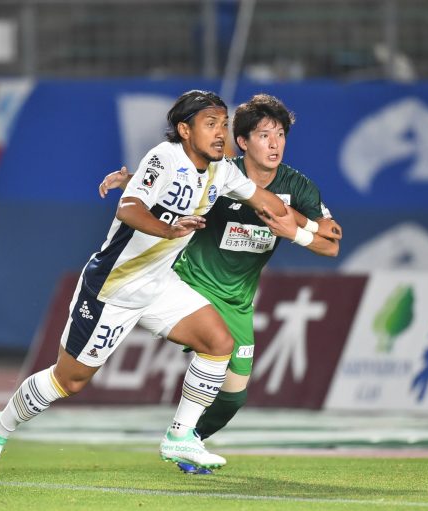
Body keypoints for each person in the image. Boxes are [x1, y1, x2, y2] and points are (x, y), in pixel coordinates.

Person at [0, 89, 315, 483]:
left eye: (223, 124)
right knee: (69, 380)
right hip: (113, 289)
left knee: (219, 342)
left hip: (159, 284)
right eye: (210, 124)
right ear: (185, 130)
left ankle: (180, 436)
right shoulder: (163, 158)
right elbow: (129, 208)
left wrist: (309, 229)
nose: (220, 133)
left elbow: (268, 202)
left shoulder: (223, 171)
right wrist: (168, 230)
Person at [100, 93, 342, 474]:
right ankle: (177, 430)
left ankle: (188, 441)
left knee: (233, 397)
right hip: (193, 282)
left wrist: (295, 233)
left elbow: (331, 245)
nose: (274, 144)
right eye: (264, 135)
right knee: (214, 347)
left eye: (280, 135)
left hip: (238, 300)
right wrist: (133, 182)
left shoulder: (299, 187)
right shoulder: (221, 173)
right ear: (242, 141)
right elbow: (178, 183)